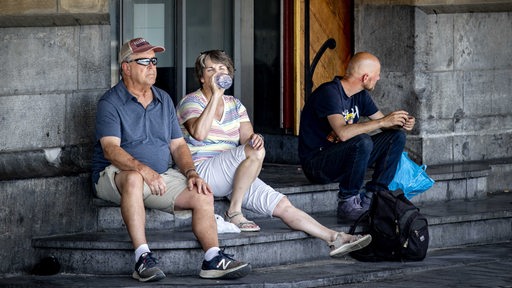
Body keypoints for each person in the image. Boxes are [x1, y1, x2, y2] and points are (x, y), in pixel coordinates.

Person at [176, 50, 372, 257]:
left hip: (233, 174)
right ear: (201, 77)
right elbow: (199, 133)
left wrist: (255, 139)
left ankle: (334, 238)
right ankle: (234, 211)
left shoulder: (235, 105)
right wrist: (215, 95)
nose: (217, 73)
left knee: (282, 204)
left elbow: (247, 139)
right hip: (202, 173)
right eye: (211, 69)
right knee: (253, 152)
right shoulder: (191, 101)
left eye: (222, 69)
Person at [92, 38, 250, 282]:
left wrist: (191, 173)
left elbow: (177, 145)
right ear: (125, 67)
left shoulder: (163, 99)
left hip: (161, 175)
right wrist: (144, 170)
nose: (152, 67)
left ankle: (212, 257)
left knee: (202, 192)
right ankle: (142, 258)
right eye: (143, 61)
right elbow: (110, 150)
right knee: (134, 179)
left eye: (154, 61)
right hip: (115, 175)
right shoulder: (110, 102)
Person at [298, 52, 415, 223]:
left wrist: (403, 123)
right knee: (362, 141)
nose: (379, 78)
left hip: (343, 160)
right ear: (365, 77)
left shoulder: (359, 94)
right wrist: (383, 122)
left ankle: (375, 196)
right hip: (318, 165)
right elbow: (343, 133)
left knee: (396, 136)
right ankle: (347, 202)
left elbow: (383, 123)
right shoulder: (330, 92)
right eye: (377, 74)